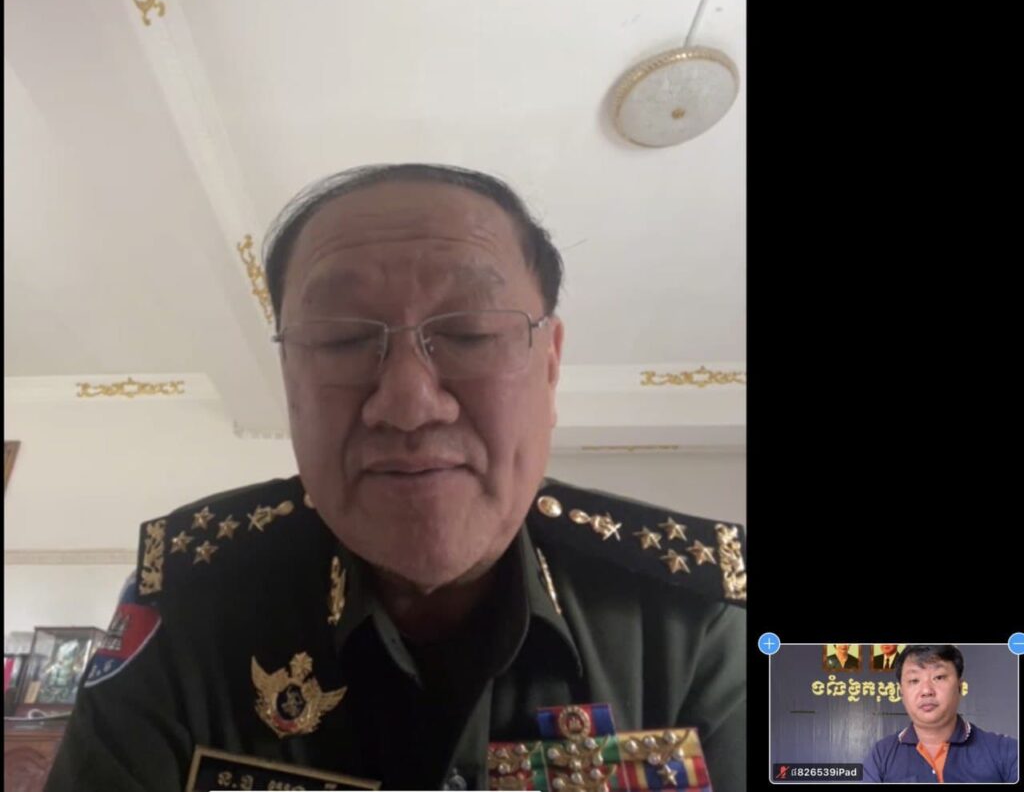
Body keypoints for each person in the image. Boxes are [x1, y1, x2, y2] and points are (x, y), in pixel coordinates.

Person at [44, 164, 747, 792]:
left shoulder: (701, 617)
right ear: (289, 378)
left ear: (551, 365)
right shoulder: (188, 610)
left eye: (470, 333)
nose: (409, 403)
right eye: (343, 340)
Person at [863, 644, 1018, 783]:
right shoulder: (882, 755)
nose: (926, 690)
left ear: (960, 687)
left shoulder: (1005, 751)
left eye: (938, 677)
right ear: (901, 692)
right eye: (914, 680)